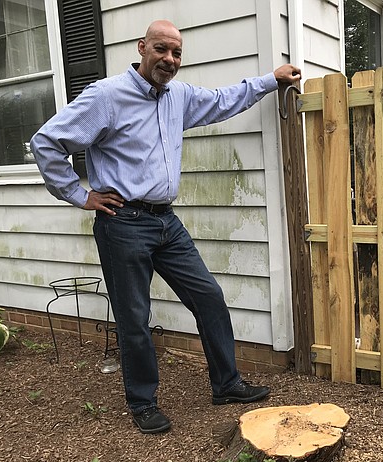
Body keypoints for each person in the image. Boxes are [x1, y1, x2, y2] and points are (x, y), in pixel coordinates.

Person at [31, 19, 301, 434]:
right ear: (142, 48)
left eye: (176, 53)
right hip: (122, 223)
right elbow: (47, 142)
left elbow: (224, 99)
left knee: (208, 296)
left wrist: (270, 79)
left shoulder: (179, 97)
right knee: (134, 316)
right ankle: (143, 402)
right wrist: (80, 195)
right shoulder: (107, 96)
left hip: (165, 222)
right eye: (161, 49)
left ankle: (226, 384)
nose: (169, 59)